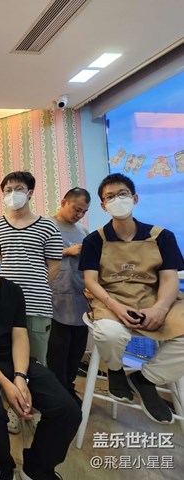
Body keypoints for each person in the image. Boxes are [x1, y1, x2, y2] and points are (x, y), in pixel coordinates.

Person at [0, 233, 81, 480]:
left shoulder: (13, 290)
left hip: (13, 357)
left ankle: (38, 466)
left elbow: (20, 335)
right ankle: (1, 466)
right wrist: (6, 383)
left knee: (68, 409)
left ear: (1, 258)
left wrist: (20, 377)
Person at [80, 173, 184, 424]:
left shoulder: (162, 237)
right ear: (103, 205)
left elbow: (169, 279)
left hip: (153, 299)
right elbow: (91, 281)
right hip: (111, 300)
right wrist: (115, 307)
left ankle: (145, 379)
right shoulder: (94, 240)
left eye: (122, 194)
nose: (117, 200)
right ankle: (115, 370)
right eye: (110, 197)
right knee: (109, 334)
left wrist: (160, 308)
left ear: (134, 198)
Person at [0, 172, 62, 366]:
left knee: (35, 361)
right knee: (0, 359)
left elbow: (55, 266)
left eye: (19, 189)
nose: (13, 194)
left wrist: (36, 285)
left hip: (36, 305)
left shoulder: (48, 227)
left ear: (30, 192)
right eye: (8, 190)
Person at [46, 187, 91, 405]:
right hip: (55, 298)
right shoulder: (46, 226)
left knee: (76, 349)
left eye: (84, 211)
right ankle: (58, 395)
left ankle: (69, 387)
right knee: (57, 350)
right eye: (76, 209)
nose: (79, 215)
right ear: (64, 202)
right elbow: (35, 256)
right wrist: (66, 251)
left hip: (80, 297)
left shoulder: (82, 230)